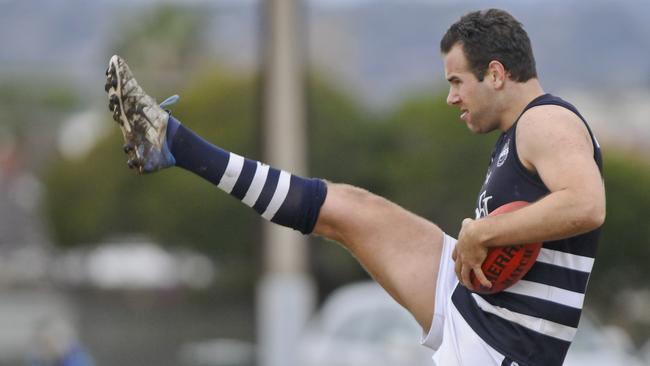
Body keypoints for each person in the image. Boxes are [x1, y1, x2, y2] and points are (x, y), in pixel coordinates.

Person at [103, 8, 605, 366]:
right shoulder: (515, 134)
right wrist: (478, 240)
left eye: (457, 81)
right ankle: (173, 142)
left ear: (495, 73)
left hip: (503, 349)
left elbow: (586, 204)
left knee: (346, 210)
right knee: (344, 207)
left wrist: (482, 235)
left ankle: (174, 143)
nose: (451, 97)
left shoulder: (547, 121)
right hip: (475, 307)